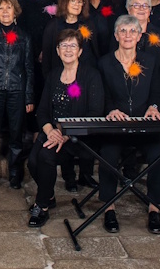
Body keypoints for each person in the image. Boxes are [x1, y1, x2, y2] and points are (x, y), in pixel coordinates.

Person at [97, 16, 160, 235]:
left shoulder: (150, 60)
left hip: (145, 125)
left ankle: (154, 207)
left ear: (140, 36)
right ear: (116, 35)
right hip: (116, 126)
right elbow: (103, 94)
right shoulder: (104, 62)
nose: (128, 35)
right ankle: (108, 207)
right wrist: (111, 109)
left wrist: (154, 106)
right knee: (108, 156)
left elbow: (157, 89)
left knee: (159, 153)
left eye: (132, 31)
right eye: (123, 31)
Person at [26, 29, 105, 228]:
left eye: (73, 46)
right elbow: (43, 110)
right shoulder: (53, 75)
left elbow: (95, 113)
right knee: (32, 163)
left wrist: (65, 133)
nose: (68, 49)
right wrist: (49, 130)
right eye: (64, 45)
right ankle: (49, 195)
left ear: (79, 51)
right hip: (53, 132)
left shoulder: (91, 76)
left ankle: (41, 206)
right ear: (58, 50)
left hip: (79, 137)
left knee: (45, 157)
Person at [0, 0, 34, 190]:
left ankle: (14, 174)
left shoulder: (24, 37)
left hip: (17, 91)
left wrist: (28, 96)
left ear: (15, 11)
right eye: (1, 9)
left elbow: (29, 68)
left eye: (8, 8)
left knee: (16, 135)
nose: (5, 12)